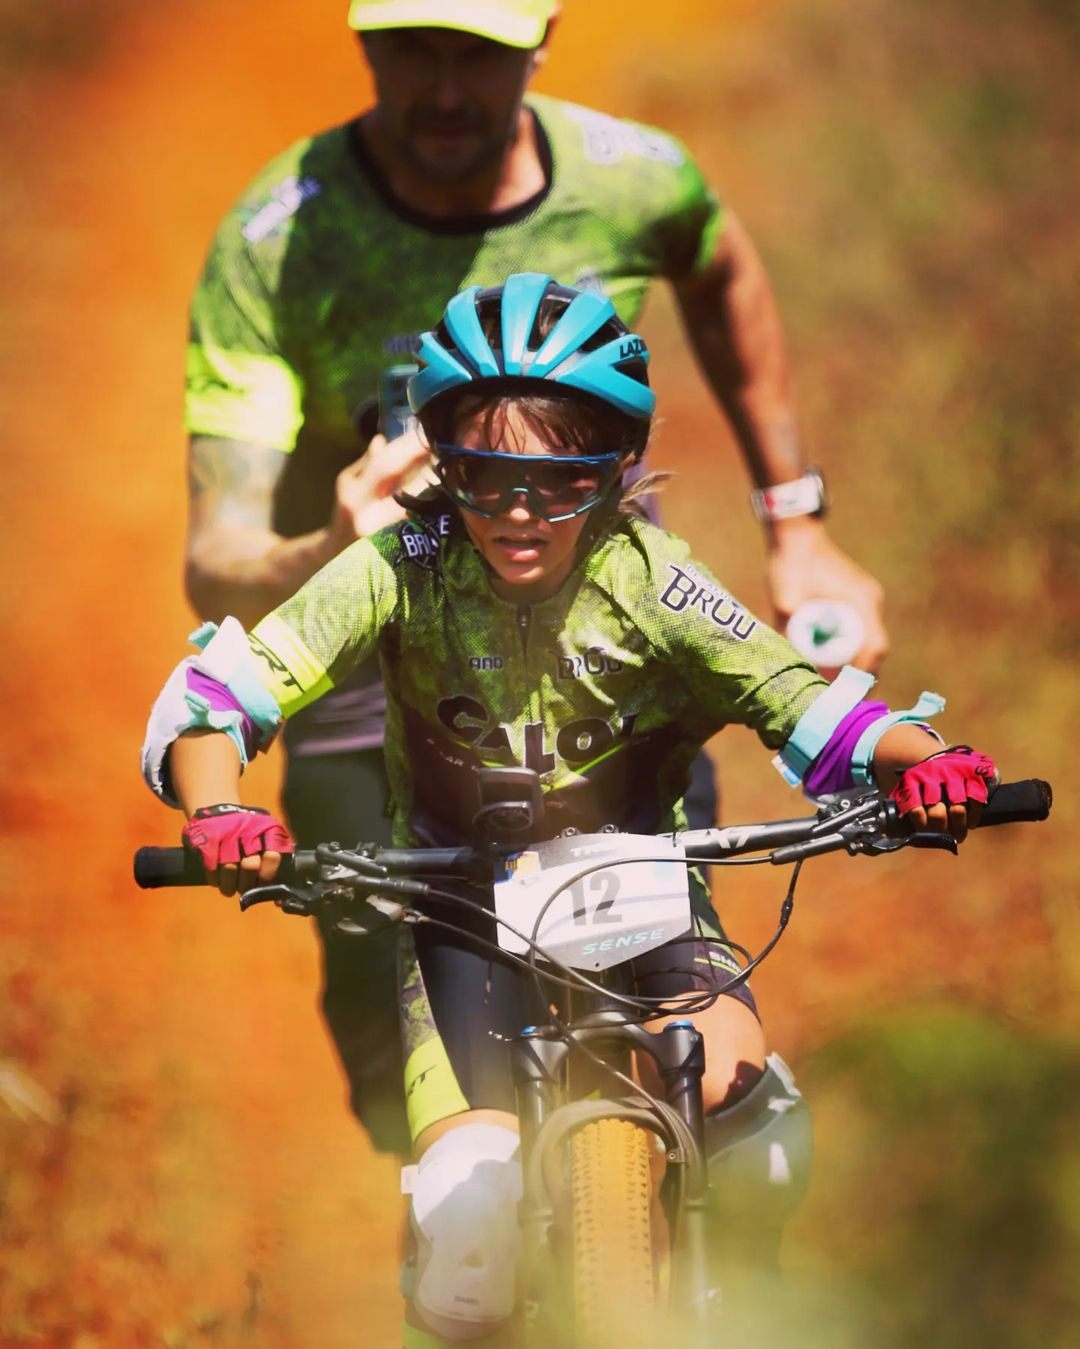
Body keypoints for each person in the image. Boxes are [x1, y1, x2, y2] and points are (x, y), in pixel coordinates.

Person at [147, 275, 997, 1347]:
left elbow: (808, 702)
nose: (516, 513)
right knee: (469, 1229)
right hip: (459, 915)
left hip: (649, 898)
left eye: (559, 482)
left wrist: (930, 759)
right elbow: (225, 696)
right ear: (439, 463)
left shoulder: (654, 579)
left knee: (757, 1134)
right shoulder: (397, 568)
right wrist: (218, 807)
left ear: (616, 472)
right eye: (483, 476)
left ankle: (740, 1299)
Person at [182, 0, 888, 1155]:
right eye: (414, 50)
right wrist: (332, 546)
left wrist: (796, 522)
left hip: (613, 650)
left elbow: (725, 278)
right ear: (363, 44)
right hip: (379, 645)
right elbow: (213, 554)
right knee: (410, 1093)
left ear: (544, 39)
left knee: (688, 1036)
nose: (446, 89)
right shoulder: (279, 236)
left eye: (481, 54)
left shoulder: (635, 178)